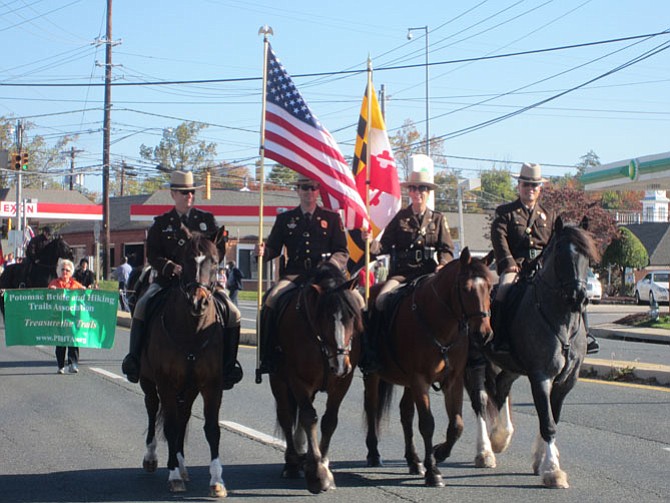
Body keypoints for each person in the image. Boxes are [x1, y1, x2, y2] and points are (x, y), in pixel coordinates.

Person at [121, 170, 243, 389]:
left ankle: (228, 365)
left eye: (192, 192)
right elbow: (154, 254)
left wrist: (212, 265)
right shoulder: (162, 223)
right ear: (173, 194)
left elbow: (218, 250)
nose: (189, 196)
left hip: (203, 283)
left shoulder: (206, 220)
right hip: (170, 281)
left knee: (233, 312)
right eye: (184, 192)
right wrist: (171, 267)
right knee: (142, 305)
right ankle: (135, 360)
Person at [490, 162, 599, 354]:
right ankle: (498, 337)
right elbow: (499, 239)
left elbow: (554, 243)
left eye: (534, 185)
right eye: (526, 184)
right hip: (517, 268)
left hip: (543, 267)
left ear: (540, 189)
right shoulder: (506, 213)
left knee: (575, 289)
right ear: (519, 186)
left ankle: (586, 335)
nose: (530, 189)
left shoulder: (549, 215)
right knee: (503, 292)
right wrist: (508, 263)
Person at [254, 175, 353, 377]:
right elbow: (274, 247)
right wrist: (263, 252)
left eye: (313, 188)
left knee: (355, 303)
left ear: (318, 191)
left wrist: (330, 266)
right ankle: (268, 355)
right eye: (305, 188)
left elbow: (342, 251)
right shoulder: (285, 219)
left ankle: (360, 354)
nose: (309, 192)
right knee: (270, 301)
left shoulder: (332, 218)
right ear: (297, 190)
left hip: (325, 277)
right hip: (295, 274)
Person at [360, 168, 455, 372]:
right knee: (380, 301)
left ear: (428, 193)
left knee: (454, 302)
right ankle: (375, 351)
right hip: (402, 274)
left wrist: (444, 264)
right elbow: (383, 247)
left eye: (422, 188)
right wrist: (370, 242)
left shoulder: (438, 219)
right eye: (414, 188)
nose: (418, 192)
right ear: (409, 192)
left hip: (429, 274)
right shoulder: (399, 218)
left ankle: (462, 354)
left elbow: (447, 249)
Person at [48, 258, 85, 374]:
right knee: (61, 342)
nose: (65, 272)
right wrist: (51, 291)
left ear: (71, 272)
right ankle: (60, 365)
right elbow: (46, 298)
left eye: (67, 270)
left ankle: (73, 364)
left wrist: (85, 290)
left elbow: (84, 293)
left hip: (72, 318)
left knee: (73, 340)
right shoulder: (54, 283)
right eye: (63, 269)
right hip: (59, 318)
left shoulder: (74, 284)